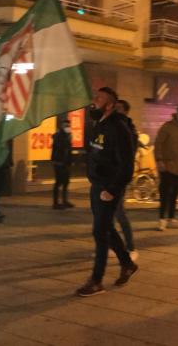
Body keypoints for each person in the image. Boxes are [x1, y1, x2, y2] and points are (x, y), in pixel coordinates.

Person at [76, 87, 138, 297]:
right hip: (97, 186)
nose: (94, 101)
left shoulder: (119, 128)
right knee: (106, 230)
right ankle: (127, 264)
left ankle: (96, 280)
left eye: (99, 98)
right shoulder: (98, 124)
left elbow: (127, 166)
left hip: (108, 188)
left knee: (100, 232)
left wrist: (112, 190)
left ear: (110, 104)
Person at [113, 99, 139, 261]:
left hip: (119, 177)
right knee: (106, 216)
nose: (115, 111)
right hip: (107, 176)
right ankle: (112, 246)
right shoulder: (111, 127)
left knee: (119, 212)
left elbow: (128, 157)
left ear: (126, 112)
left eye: (119, 109)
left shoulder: (130, 131)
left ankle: (130, 247)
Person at [51, 119, 74, 210]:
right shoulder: (58, 136)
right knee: (58, 182)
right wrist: (58, 161)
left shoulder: (68, 135)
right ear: (61, 126)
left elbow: (68, 150)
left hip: (66, 162)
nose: (67, 127)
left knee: (66, 182)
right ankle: (55, 203)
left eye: (68, 126)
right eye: (65, 126)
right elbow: (58, 149)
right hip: (59, 162)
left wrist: (70, 161)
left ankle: (65, 200)